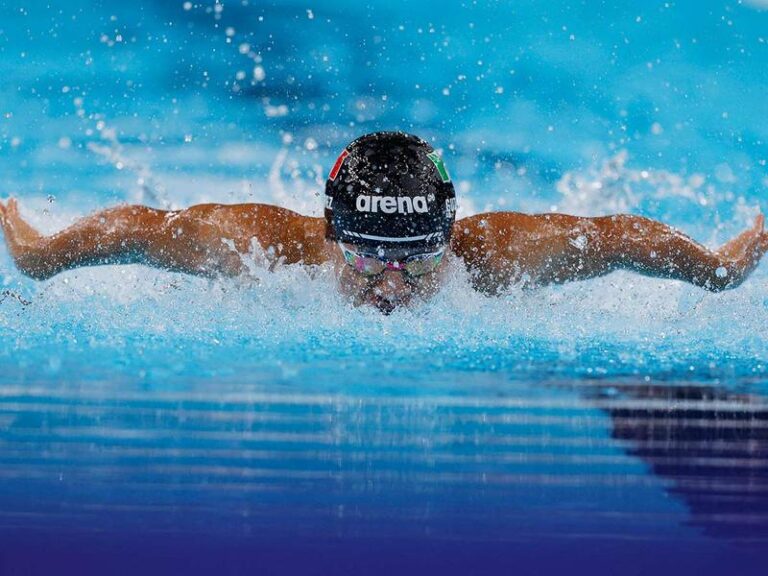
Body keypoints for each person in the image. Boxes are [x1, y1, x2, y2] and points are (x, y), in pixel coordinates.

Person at [1, 131, 766, 314]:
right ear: (331, 233)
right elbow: (141, 226)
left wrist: (720, 269)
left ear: (449, 237)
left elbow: (611, 239)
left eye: (417, 258)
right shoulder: (266, 250)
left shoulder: (495, 257)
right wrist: (36, 255)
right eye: (369, 258)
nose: (392, 283)